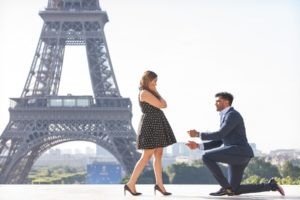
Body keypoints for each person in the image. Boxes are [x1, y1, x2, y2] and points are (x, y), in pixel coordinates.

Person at [186, 92, 285, 196]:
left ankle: (225, 187)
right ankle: (271, 186)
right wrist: (198, 146)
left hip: (239, 151)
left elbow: (220, 134)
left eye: (218, 101)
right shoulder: (224, 116)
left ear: (226, 102)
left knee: (206, 157)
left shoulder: (233, 115)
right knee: (235, 190)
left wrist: (198, 134)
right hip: (237, 154)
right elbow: (220, 140)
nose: (215, 104)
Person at [124, 70, 177, 196]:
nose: (156, 84)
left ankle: (160, 185)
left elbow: (165, 104)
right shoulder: (144, 93)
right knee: (147, 155)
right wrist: (156, 93)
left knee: (158, 153)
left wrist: (155, 91)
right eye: (154, 81)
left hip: (157, 123)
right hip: (150, 125)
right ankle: (131, 184)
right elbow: (162, 104)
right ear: (148, 80)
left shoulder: (150, 92)